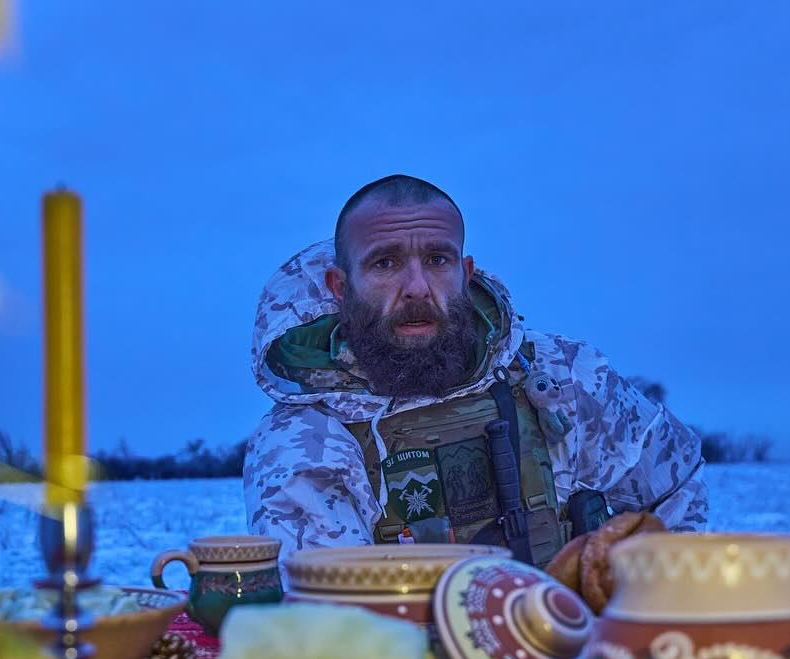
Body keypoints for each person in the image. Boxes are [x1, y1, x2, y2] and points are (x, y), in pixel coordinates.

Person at [244, 174, 707, 566]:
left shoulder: (562, 376)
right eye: (385, 263)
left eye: (437, 260)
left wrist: (640, 610)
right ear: (340, 287)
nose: (417, 288)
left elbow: (674, 488)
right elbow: (328, 616)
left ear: (466, 272)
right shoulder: (305, 439)